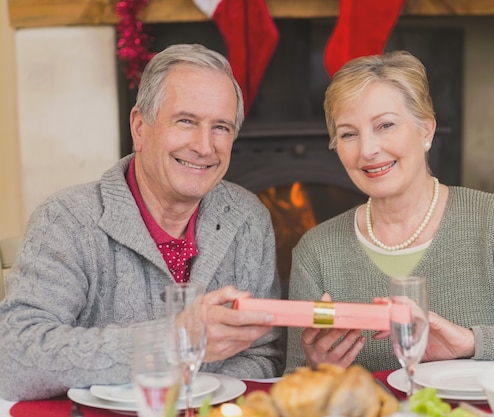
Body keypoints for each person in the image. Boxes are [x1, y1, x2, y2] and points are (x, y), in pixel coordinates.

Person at [285, 51, 494, 373]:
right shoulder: (316, 250)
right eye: (348, 134)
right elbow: (291, 384)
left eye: (385, 125)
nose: (368, 150)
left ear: (426, 131)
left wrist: (473, 342)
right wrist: (314, 370)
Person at [0, 44, 284, 401]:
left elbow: (265, 356)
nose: (204, 145)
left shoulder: (248, 219)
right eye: (186, 121)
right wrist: (173, 341)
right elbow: (13, 358)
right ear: (139, 126)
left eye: (221, 127)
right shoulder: (68, 220)